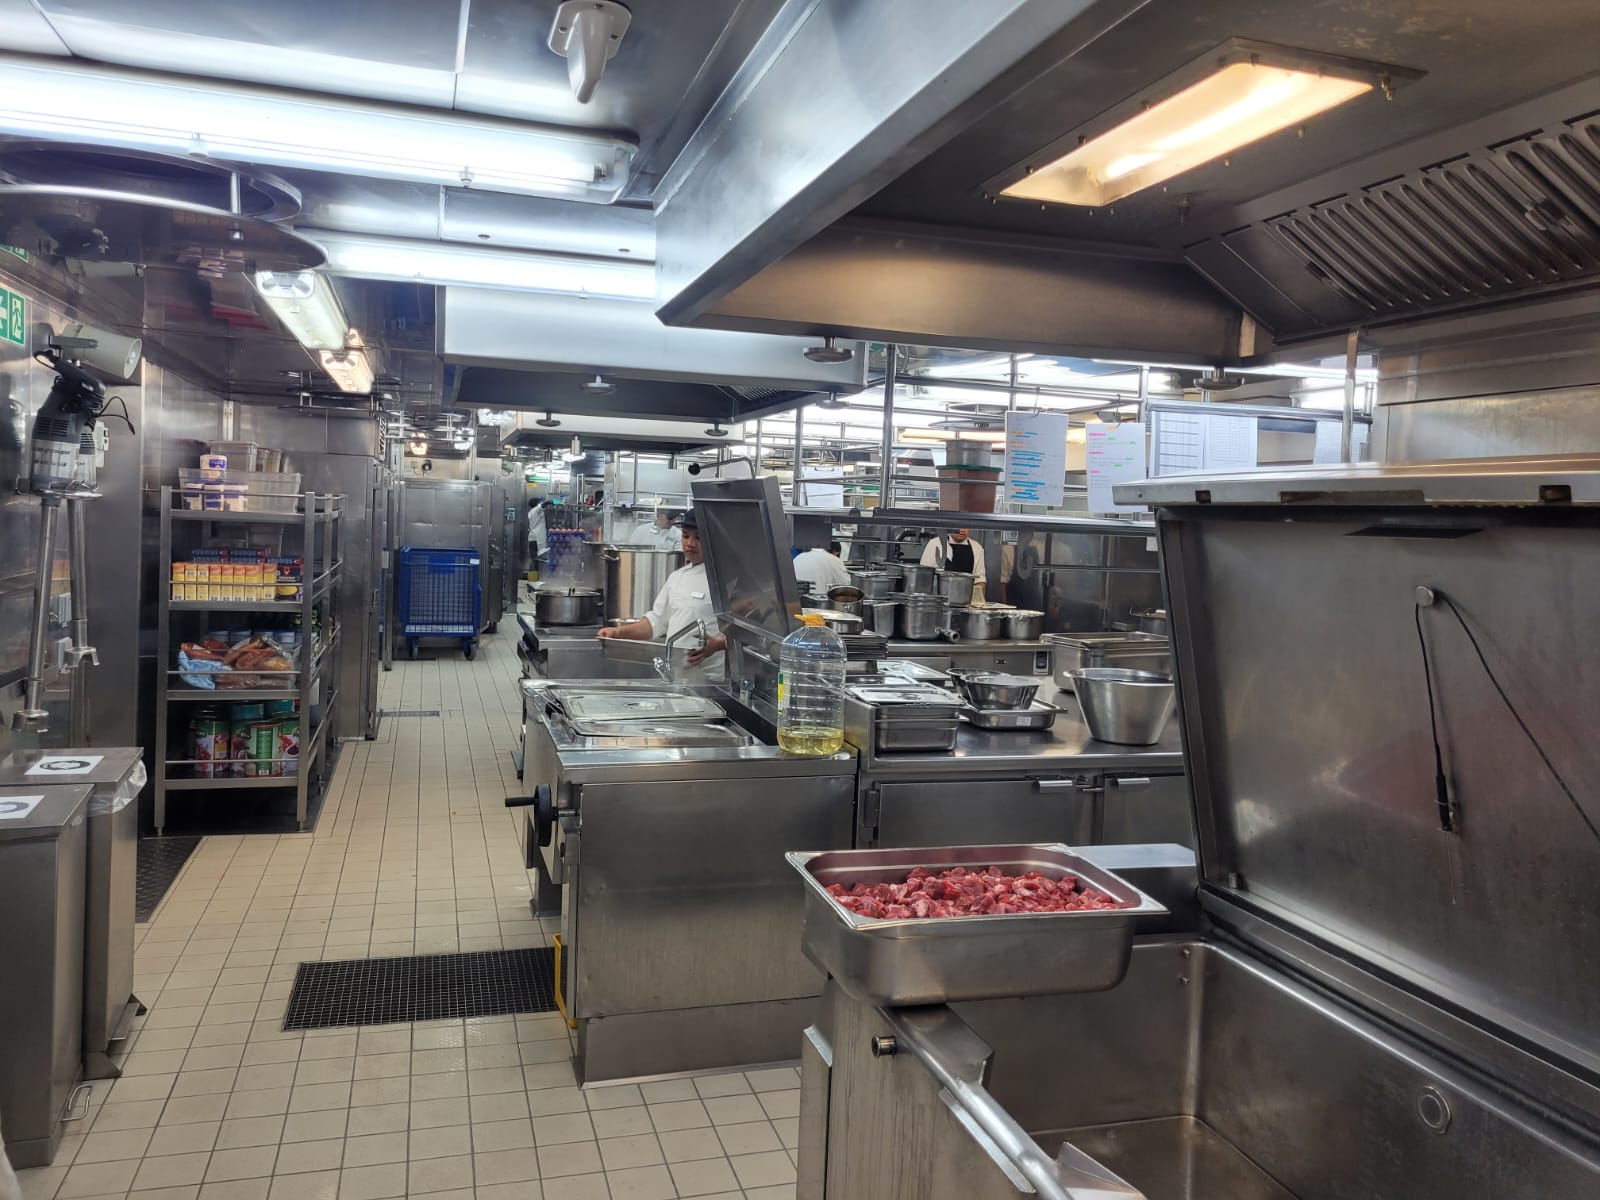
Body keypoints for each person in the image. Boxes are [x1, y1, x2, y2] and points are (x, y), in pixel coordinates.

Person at [598, 510, 725, 678]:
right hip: (675, 677)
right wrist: (618, 633)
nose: (690, 543)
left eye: (698, 538)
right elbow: (655, 622)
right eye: (685, 536)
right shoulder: (677, 577)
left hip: (710, 680)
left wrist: (717, 645)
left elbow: (745, 633)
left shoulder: (724, 579)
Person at [921, 528, 987, 601]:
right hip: (937, 602)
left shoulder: (977, 548)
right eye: (958, 526)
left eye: (966, 526)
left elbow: (979, 581)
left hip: (965, 603)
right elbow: (923, 577)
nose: (962, 530)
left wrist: (977, 603)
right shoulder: (934, 544)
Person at [527, 498, 548, 574]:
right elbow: (544, 504)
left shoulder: (531, 512)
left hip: (532, 538)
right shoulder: (536, 510)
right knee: (536, 558)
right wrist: (554, 501)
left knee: (534, 558)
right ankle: (533, 576)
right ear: (537, 504)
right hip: (537, 538)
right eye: (539, 502)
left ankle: (533, 577)